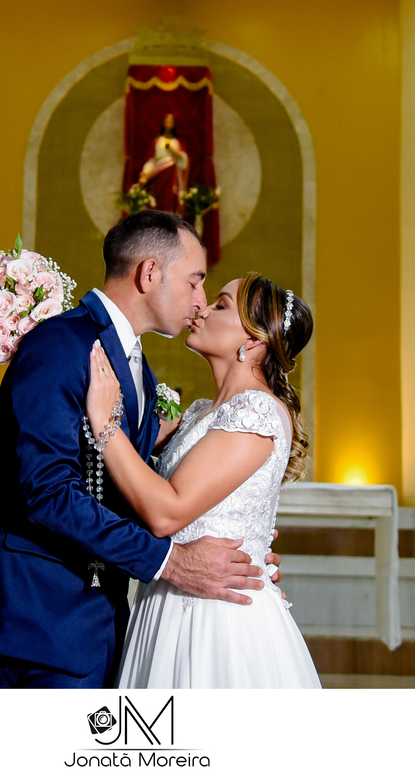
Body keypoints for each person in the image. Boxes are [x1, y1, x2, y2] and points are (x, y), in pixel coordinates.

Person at [0, 210, 280, 688]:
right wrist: (172, 561)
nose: (200, 300)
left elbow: (130, 490)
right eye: (194, 281)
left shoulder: (139, 371)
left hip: (100, 629)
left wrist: (244, 545)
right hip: (37, 627)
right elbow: (48, 492)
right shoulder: (61, 344)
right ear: (149, 273)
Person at [85, 272, 322, 687]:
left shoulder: (257, 413)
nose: (203, 309)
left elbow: (167, 512)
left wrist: (105, 423)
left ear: (254, 341)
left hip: (217, 619)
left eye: (221, 305)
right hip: (167, 600)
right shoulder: (199, 412)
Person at [136, 113, 188, 213]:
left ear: (174, 125)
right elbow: (152, 159)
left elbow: (183, 160)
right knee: (158, 200)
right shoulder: (157, 141)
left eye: (171, 122)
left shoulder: (177, 142)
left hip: (172, 175)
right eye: (167, 122)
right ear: (163, 124)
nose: (169, 124)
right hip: (159, 175)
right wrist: (146, 173)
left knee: (171, 198)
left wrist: (172, 150)